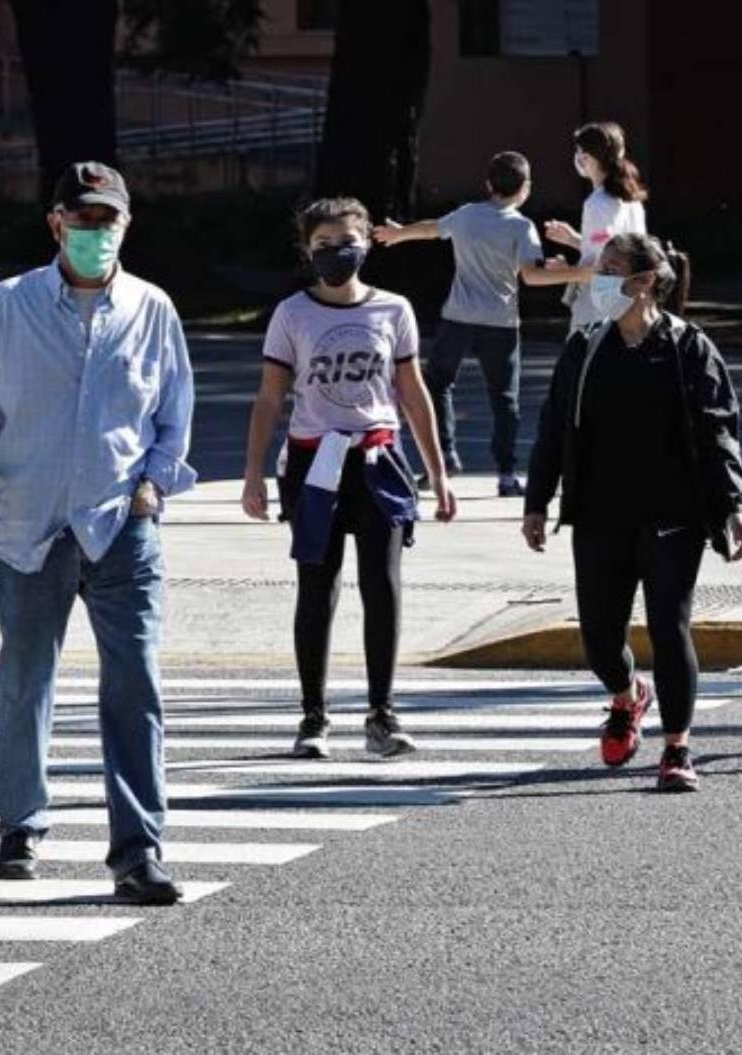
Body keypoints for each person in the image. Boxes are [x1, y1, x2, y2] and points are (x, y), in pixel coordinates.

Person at [0, 161, 195, 906]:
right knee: (25, 678)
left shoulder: (151, 308)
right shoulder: (10, 304)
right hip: (29, 525)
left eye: (106, 220)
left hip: (121, 522)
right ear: (56, 222)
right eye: (82, 220)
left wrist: (154, 483)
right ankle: (20, 822)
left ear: (126, 223)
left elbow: (174, 410)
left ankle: (138, 847)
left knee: (136, 686)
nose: (95, 232)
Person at [524, 233, 742, 793]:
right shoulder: (586, 347)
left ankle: (677, 748)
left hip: (674, 512)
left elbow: (717, 429)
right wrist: (536, 501)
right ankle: (628, 697)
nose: (597, 278)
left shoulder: (687, 346)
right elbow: (554, 426)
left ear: (646, 281)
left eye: (611, 269)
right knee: (600, 638)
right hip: (600, 510)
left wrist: (734, 505)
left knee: (670, 627)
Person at [242, 198, 459, 762]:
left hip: (378, 459)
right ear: (307, 251)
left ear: (366, 244)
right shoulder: (293, 313)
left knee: (382, 586)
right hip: (314, 461)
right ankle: (313, 716)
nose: (337, 253)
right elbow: (270, 397)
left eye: (347, 242)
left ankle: (383, 715)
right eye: (323, 245)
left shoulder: (394, 310)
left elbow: (412, 394)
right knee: (318, 588)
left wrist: (437, 474)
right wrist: (254, 475)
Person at [374, 151, 577, 497]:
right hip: (501, 322)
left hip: (458, 319)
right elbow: (531, 275)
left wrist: (399, 234)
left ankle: (447, 454)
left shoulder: (467, 215)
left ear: (488, 185)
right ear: (525, 188)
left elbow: (431, 229)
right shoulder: (521, 226)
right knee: (504, 399)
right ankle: (507, 474)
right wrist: (578, 273)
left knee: (438, 383)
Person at [543, 122, 649, 333]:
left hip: (599, 307)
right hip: (629, 301)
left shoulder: (597, 202)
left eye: (579, 151)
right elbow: (614, 248)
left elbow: (600, 270)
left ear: (587, 157)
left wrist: (565, 272)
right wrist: (574, 240)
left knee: (586, 363)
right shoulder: (631, 199)